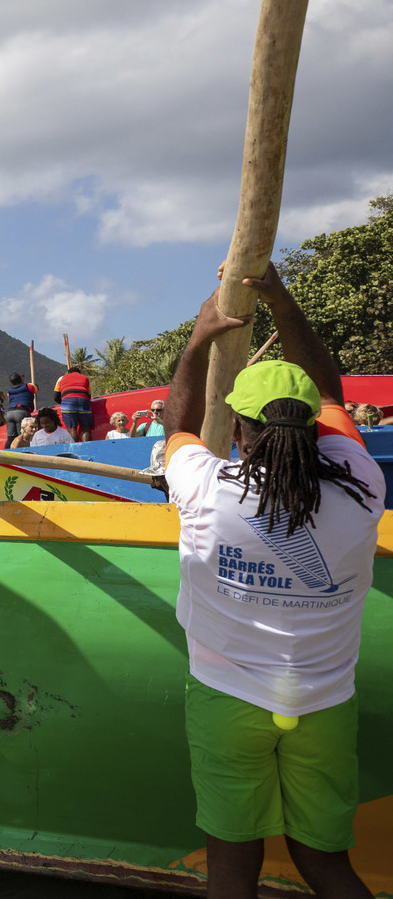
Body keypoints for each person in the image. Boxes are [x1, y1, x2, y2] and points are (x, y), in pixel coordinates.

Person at [162, 263, 382, 899]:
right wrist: (283, 304)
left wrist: (199, 340)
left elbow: (177, 423)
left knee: (233, 867)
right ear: (318, 428)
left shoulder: (206, 489)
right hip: (323, 705)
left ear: (237, 430)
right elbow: (333, 391)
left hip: (228, 699)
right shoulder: (362, 485)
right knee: (327, 866)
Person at [53, 361, 94, 441]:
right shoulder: (85, 378)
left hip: (68, 402)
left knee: (72, 429)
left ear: (68, 373)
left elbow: (55, 397)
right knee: (85, 429)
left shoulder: (62, 378)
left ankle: (74, 450)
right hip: (83, 401)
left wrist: (63, 403)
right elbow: (88, 396)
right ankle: (86, 449)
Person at [5, 372, 36, 445]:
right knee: (23, 436)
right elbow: (35, 389)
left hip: (9, 414)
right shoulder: (28, 386)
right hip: (22, 412)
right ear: (20, 379)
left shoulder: (9, 391)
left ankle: (6, 454)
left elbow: (9, 397)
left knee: (10, 438)